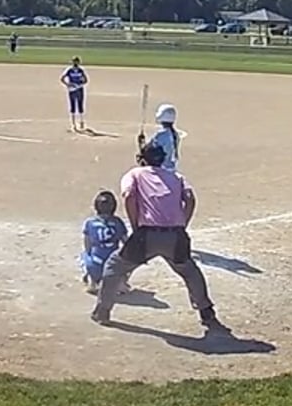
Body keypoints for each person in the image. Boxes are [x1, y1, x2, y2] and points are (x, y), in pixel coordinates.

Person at [91, 139, 225, 333]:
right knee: (190, 271)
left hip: (146, 234)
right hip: (175, 235)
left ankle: (102, 312)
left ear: (142, 159)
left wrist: (135, 226)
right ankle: (206, 311)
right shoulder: (176, 176)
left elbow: (128, 196)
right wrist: (182, 225)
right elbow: (189, 198)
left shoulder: (135, 174)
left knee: (114, 267)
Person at [77, 190, 129, 295]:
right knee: (128, 258)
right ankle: (120, 283)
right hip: (113, 266)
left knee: (84, 255)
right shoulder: (118, 222)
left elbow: (87, 245)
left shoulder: (90, 222)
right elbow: (127, 244)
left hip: (96, 263)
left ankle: (93, 280)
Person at [138, 104, 182, 171]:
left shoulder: (161, 134)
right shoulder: (175, 134)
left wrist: (141, 142)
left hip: (161, 168)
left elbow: (148, 149)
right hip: (172, 168)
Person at [61, 57, 88, 132]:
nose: (75, 63)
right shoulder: (69, 70)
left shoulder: (81, 70)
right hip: (72, 90)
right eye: (74, 62)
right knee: (72, 106)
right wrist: (68, 85)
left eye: (76, 62)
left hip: (79, 89)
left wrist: (80, 85)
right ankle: (73, 124)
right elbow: (62, 79)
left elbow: (86, 80)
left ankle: (81, 122)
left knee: (80, 105)